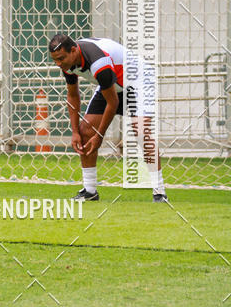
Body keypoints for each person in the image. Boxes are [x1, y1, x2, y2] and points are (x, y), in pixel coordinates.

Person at [48, 33, 167, 203]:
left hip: (138, 81)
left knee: (141, 132)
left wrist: (100, 136)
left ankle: (159, 191)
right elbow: (73, 95)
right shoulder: (66, 63)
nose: (58, 64)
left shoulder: (98, 62)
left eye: (61, 59)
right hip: (113, 84)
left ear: (73, 51)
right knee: (85, 130)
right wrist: (74, 132)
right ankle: (90, 191)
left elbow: (113, 102)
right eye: (55, 60)